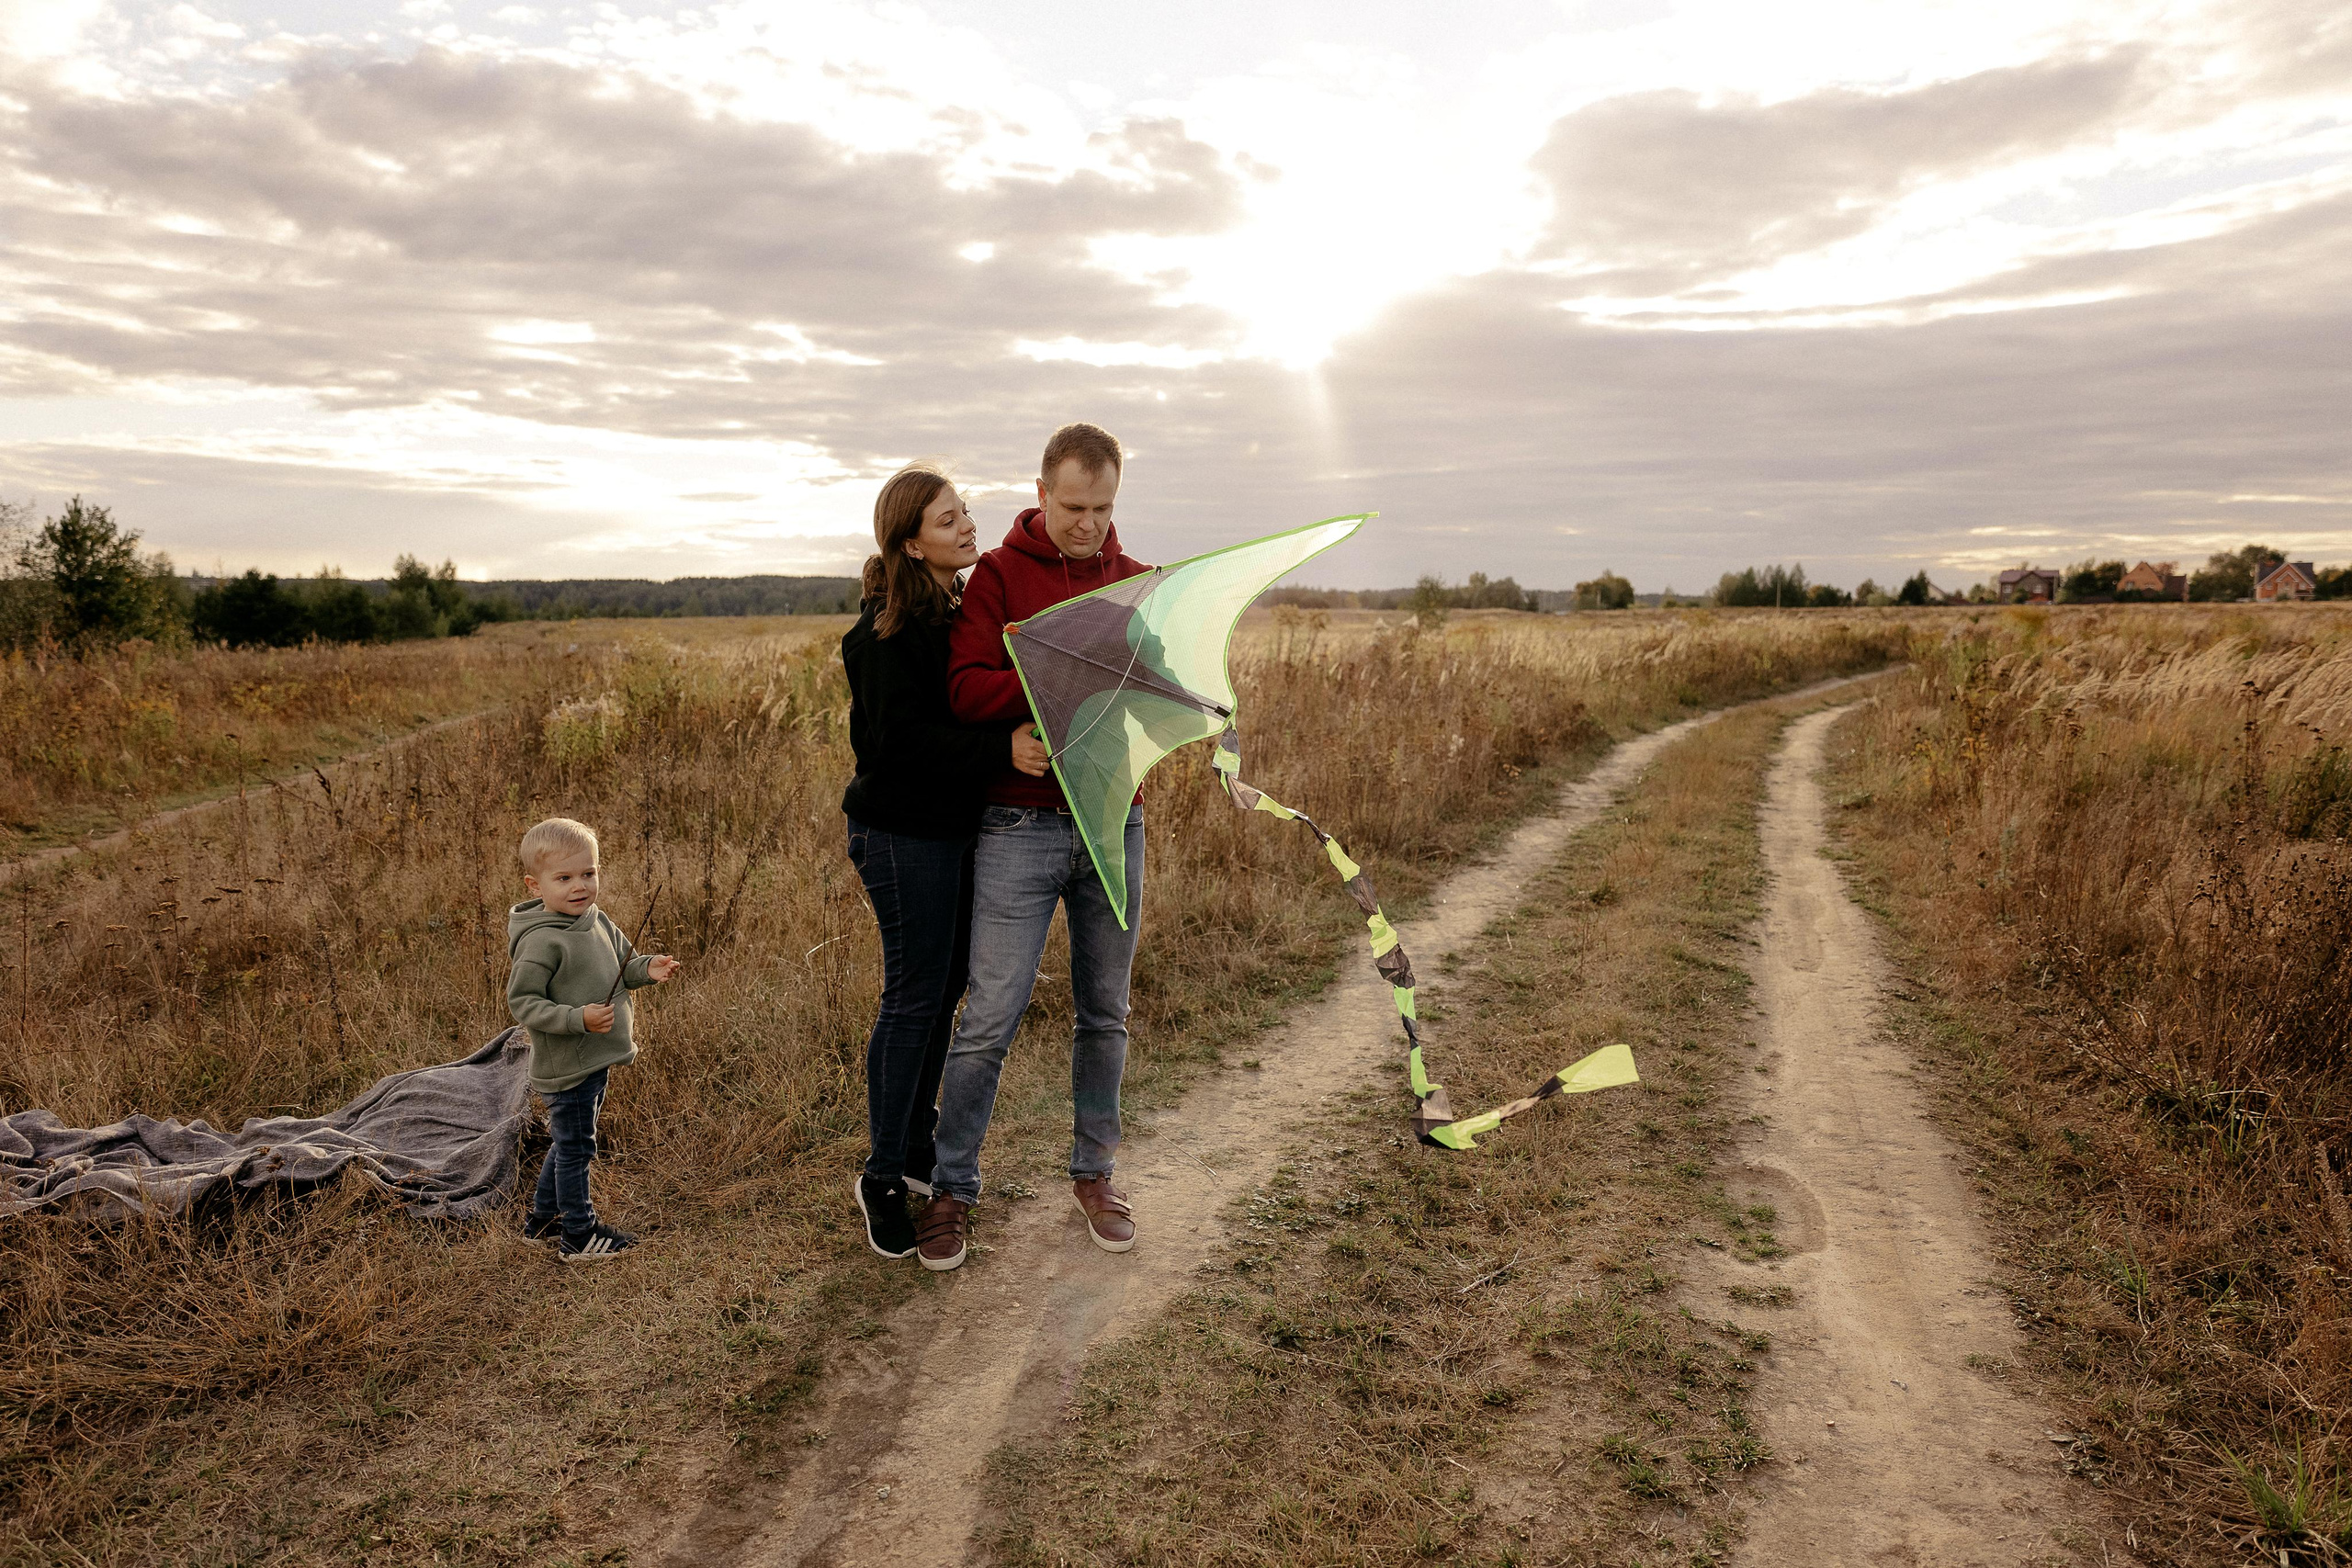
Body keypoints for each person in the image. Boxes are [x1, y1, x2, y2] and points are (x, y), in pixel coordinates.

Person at [921, 422, 1151, 1271]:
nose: (1088, 523)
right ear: (1042, 491)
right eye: (1074, 505)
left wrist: (1185, 701)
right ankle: (952, 1188)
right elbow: (965, 688)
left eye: (1103, 507)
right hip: (1017, 827)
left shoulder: (1135, 584)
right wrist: (1057, 666)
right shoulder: (999, 579)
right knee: (989, 1016)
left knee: (1106, 1013)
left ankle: (1096, 1175)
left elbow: (1154, 691)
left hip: (1113, 819)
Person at [841, 464, 1051, 1260]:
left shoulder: (952, 610)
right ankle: (884, 1174)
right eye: (946, 520)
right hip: (902, 836)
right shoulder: (886, 631)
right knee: (915, 994)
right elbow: (892, 745)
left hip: (952, 832)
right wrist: (999, 746)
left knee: (944, 989)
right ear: (908, 541)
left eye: (966, 513)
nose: (967, 527)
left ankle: (922, 1146)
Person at [507, 817, 681, 1263]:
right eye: (563, 878)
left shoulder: (596, 920)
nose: (579, 886)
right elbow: (523, 1003)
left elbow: (624, 964)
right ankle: (578, 1235)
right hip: (567, 1065)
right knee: (577, 1148)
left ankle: (542, 1222)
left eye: (588, 873)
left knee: (569, 1143)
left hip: (595, 1058)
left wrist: (647, 969)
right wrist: (577, 1018)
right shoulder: (541, 942)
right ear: (535, 884)